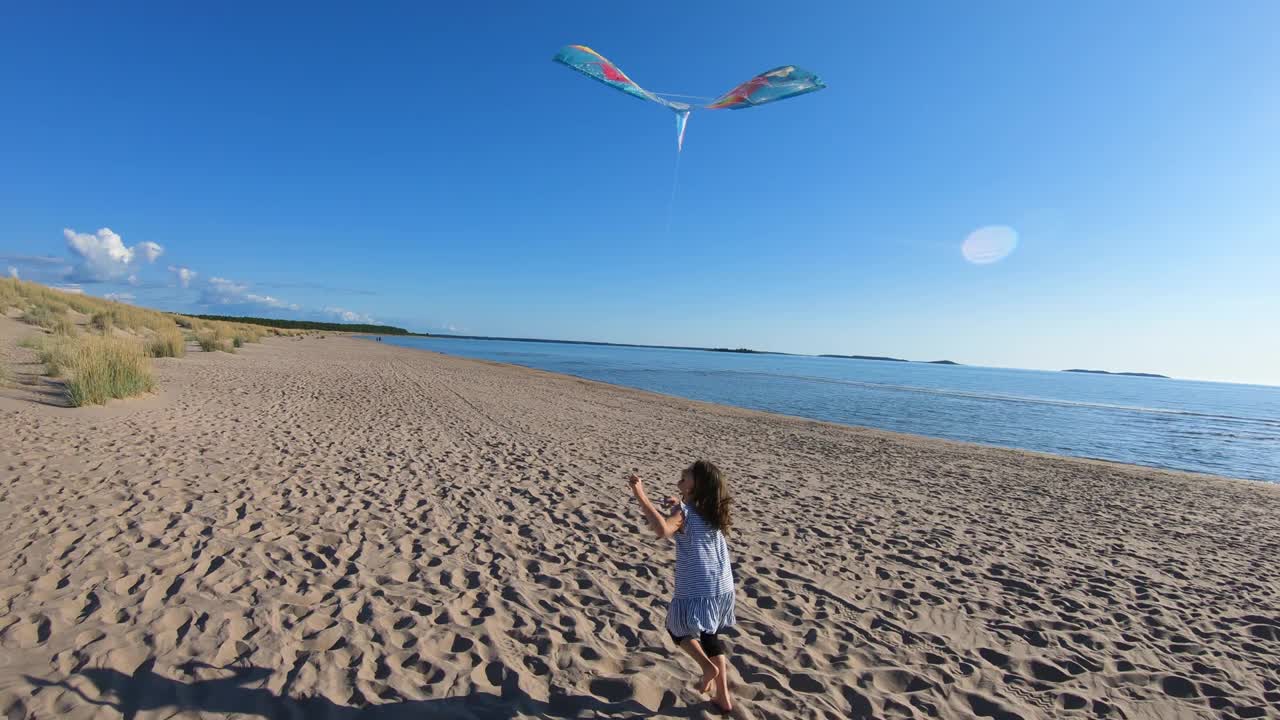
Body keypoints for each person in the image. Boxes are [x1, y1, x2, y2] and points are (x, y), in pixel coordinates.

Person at [628, 460, 736, 713]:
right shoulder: (709, 512)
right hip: (722, 585)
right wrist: (679, 505)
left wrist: (641, 495)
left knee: (676, 628)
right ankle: (723, 697)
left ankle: (706, 668)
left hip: (699, 585)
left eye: (686, 476)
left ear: (697, 487)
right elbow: (687, 520)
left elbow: (663, 530)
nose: (681, 476)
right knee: (710, 637)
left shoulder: (686, 513)